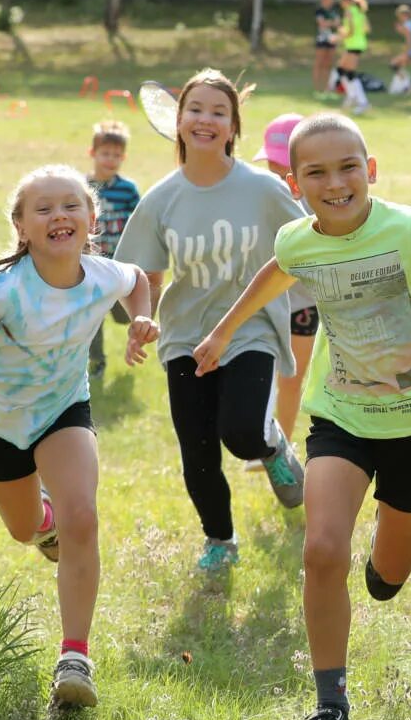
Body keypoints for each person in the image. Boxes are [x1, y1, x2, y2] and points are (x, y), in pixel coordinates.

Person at [191, 113, 411, 720]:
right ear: (295, 183)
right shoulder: (298, 240)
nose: (335, 182)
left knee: (386, 577)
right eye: (316, 172)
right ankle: (329, 708)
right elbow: (275, 272)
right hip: (340, 417)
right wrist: (223, 332)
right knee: (321, 551)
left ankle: (385, 567)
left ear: (370, 172)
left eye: (348, 167)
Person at [0, 164, 158, 709]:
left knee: (83, 517)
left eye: (71, 205)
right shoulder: (2, 291)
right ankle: (43, 524)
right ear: (21, 227)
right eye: (42, 209)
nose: (58, 215)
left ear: (91, 218)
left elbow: (139, 280)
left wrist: (141, 319)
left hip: (63, 410)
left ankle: (75, 657)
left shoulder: (101, 274)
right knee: (25, 529)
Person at [114, 70, 307, 572]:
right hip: (185, 335)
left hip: (252, 330)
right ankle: (219, 541)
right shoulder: (161, 199)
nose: (206, 119)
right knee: (197, 450)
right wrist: (141, 318)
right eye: (196, 109)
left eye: (219, 112)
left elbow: (307, 246)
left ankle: (271, 447)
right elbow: (143, 276)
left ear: (232, 127)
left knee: (241, 431)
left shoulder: (263, 189)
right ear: (178, 122)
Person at [252, 113, 317, 455]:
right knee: (258, 374)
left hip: (302, 304)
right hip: (264, 299)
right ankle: (264, 437)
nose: (278, 175)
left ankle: (281, 448)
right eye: (273, 167)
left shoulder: (314, 195)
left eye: (284, 167)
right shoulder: (260, 192)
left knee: (291, 378)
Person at [86, 120, 141, 378]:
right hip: (91, 267)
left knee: (123, 316)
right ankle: (97, 361)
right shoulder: (81, 187)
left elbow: (140, 224)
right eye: (105, 153)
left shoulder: (127, 190)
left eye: (117, 155)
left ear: (124, 157)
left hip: (120, 264)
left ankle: (138, 339)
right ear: (93, 153)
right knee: (92, 318)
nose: (111, 159)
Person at [335, 0, 371, 115]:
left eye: (341, 1)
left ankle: (362, 102)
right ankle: (352, 96)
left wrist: (339, 32)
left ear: (346, 1)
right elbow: (367, 28)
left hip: (353, 44)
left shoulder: (349, 11)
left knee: (350, 73)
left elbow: (349, 31)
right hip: (357, 44)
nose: (340, 4)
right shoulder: (360, 11)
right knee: (341, 69)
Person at [313, 0, 340, 94]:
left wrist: (330, 23)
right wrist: (332, 23)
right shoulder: (319, 10)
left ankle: (326, 88)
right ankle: (317, 88)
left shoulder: (333, 11)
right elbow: (322, 24)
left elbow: (338, 23)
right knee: (319, 63)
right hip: (322, 39)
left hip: (332, 40)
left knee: (328, 64)